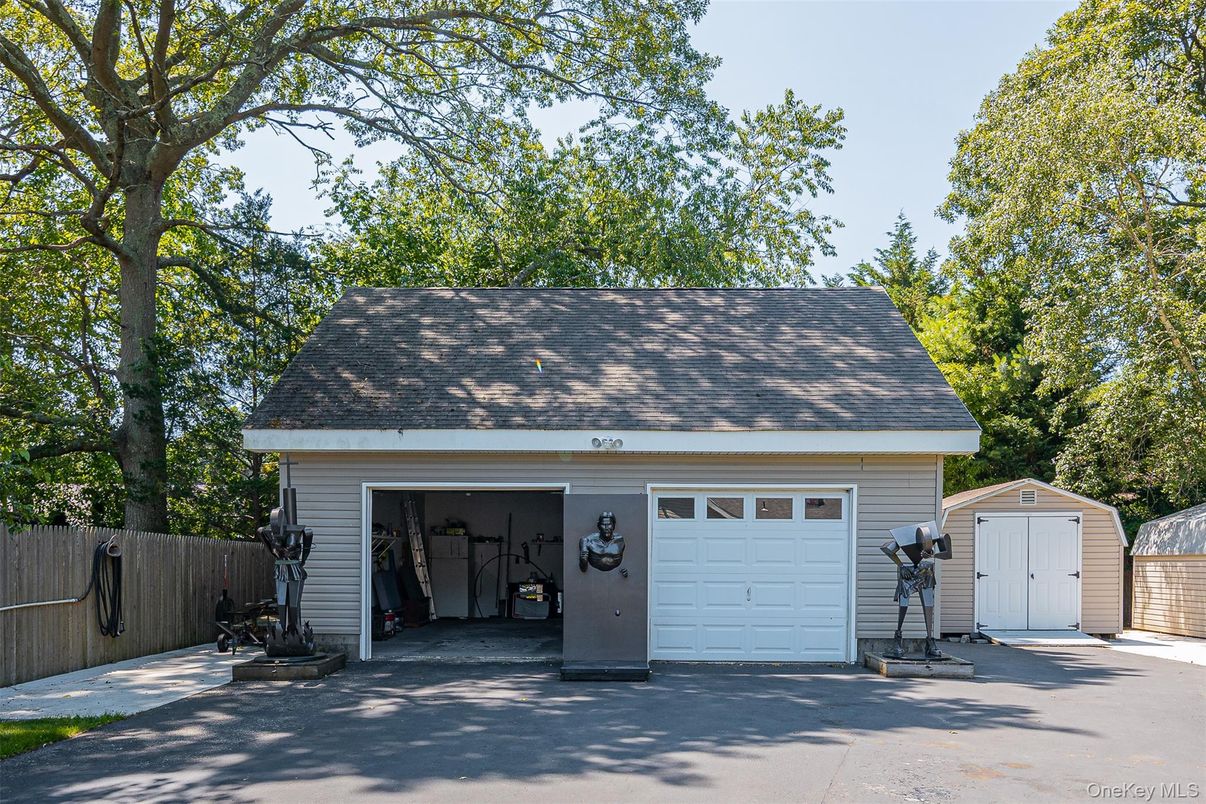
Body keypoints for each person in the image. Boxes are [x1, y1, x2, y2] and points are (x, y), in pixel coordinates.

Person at [880, 521, 952, 659]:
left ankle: (930, 640)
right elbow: (886, 548)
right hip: (907, 572)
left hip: (926, 571)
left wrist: (932, 555)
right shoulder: (905, 538)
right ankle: (898, 638)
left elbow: (947, 554)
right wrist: (901, 566)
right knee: (904, 605)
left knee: (928, 604)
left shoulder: (939, 537)